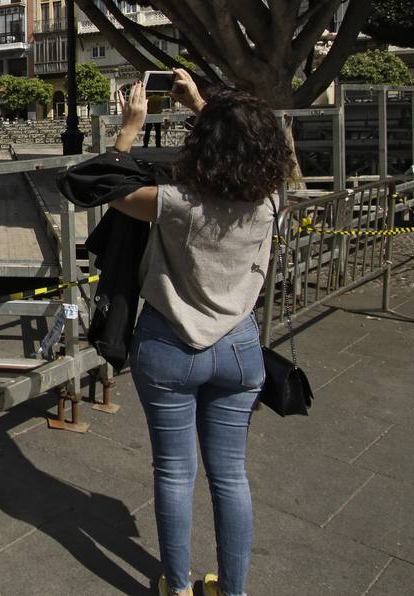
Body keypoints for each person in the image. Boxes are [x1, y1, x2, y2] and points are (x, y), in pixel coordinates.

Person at [108, 69, 291, 596]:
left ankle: (179, 587)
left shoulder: (174, 204)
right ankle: (232, 590)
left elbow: (103, 182)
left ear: (203, 145)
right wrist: (204, 105)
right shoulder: (270, 201)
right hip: (238, 347)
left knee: (173, 473)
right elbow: (245, 147)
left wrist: (131, 126)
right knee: (231, 476)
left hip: (169, 344)